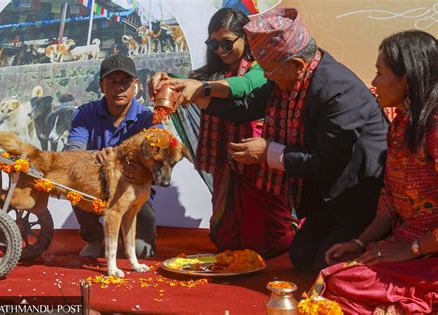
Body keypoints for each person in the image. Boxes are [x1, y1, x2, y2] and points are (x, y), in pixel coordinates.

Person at [199, 6, 389, 270]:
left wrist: (268, 152)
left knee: (324, 262)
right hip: (326, 197)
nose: (266, 77)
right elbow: (248, 107)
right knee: (300, 256)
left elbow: (327, 163)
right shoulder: (289, 75)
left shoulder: (337, 92)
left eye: (269, 71)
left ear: (297, 65)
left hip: (356, 196)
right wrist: (200, 95)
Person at [149, 8, 297, 258]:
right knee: (226, 238)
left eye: (227, 42)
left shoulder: (262, 67)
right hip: (224, 163)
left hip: (257, 161)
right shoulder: (212, 74)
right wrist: (165, 79)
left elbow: (244, 86)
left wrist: (203, 88)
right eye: (213, 43)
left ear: (246, 38)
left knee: (267, 239)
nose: (220, 50)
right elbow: (190, 84)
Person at [310, 30, 438, 314]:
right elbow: (390, 199)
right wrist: (359, 242)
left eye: (380, 73)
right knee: (332, 276)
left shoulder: (434, 127)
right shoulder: (400, 126)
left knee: (342, 284)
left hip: (427, 249)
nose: (374, 82)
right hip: (408, 243)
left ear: (407, 78)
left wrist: (414, 249)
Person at [65, 55, 160, 259]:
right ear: (101, 85)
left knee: (142, 252)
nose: (119, 88)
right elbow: (72, 152)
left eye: (125, 82)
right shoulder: (84, 113)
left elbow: (158, 157)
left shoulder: (148, 119)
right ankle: (94, 238)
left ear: (136, 85)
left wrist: (116, 157)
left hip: (134, 193)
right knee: (74, 182)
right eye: (112, 82)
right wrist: (93, 156)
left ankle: (131, 238)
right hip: (95, 189)